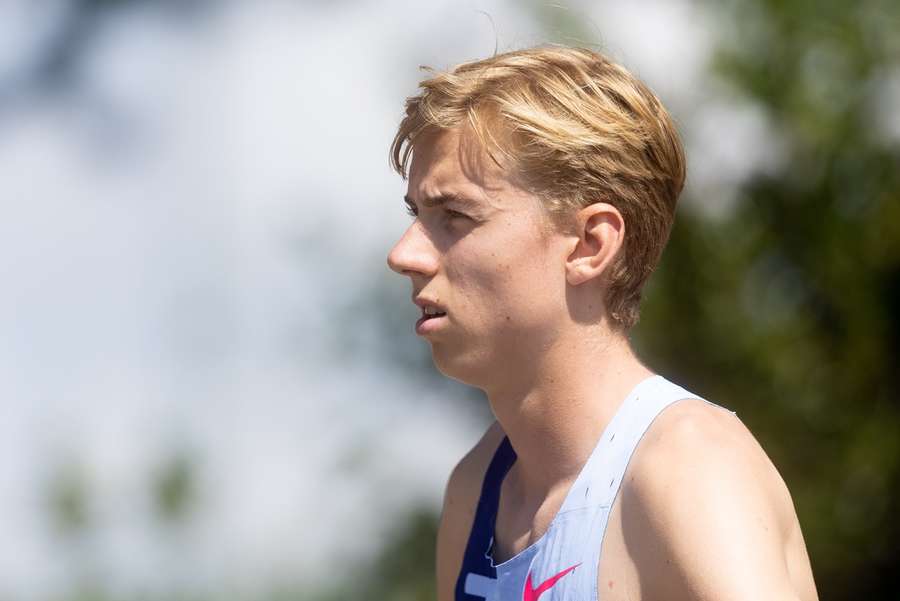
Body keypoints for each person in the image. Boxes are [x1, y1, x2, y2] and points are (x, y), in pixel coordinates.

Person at [386, 46, 818, 601]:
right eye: (416, 215)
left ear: (591, 244)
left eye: (455, 217)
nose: (404, 254)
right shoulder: (475, 491)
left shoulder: (689, 467)